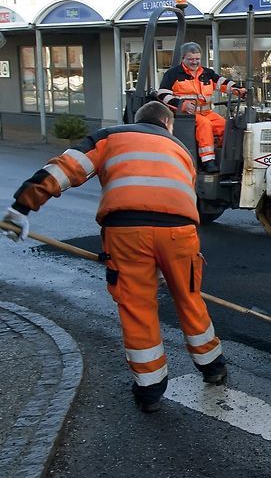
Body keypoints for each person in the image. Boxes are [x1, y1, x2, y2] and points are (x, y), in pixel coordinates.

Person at [2, 101, 228, 413]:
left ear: (136, 120)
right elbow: (181, 198)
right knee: (189, 298)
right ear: (168, 124)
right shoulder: (181, 151)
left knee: (137, 306)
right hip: (179, 233)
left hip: (126, 233)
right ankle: (213, 366)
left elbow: (62, 170)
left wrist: (20, 209)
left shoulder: (110, 136)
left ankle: (150, 390)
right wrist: (165, 262)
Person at [156, 42, 245, 173]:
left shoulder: (207, 73)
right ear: (183, 58)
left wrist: (238, 89)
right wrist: (182, 105)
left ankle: (225, 157)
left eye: (197, 59)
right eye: (191, 59)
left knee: (227, 126)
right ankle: (208, 161)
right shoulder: (173, 74)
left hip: (207, 112)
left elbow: (223, 83)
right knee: (205, 125)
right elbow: (162, 95)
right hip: (184, 115)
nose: (195, 62)